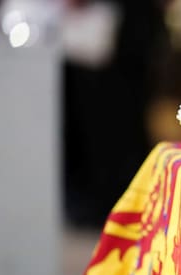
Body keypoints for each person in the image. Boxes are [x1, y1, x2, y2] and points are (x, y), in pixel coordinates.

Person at [62, 0, 168, 229]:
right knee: (108, 124)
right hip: (107, 33)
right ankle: (124, 206)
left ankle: (126, 206)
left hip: (122, 31)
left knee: (113, 123)